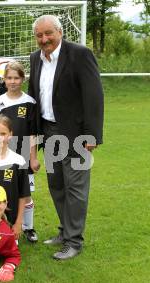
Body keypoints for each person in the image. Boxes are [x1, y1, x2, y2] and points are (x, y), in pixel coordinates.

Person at [28, 15, 104, 260]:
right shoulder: (34, 59)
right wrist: (35, 132)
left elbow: (94, 96)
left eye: (48, 33)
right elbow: (34, 97)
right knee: (56, 185)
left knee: (76, 189)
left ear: (60, 32)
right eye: (39, 35)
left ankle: (74, 241)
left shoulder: (79, 54)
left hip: (76, 134)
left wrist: (92, 135)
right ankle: (65, 230)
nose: (44, 39)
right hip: (49, 132)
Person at [0, 61, 40, 243]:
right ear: (4, 80)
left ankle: (29, 227)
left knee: (26, 194)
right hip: (2, 155)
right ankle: (6, 225)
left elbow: (32, 133)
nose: (13, 81)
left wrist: (33, 158)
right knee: (4, 190)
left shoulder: (29, 102)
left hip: (24, 157)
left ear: (23, 79)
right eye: (9, 78)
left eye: (16, 78)